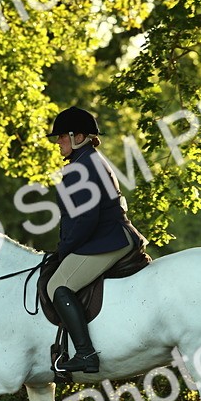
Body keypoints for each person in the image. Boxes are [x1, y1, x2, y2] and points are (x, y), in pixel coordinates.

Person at [46, 106, 145, 373]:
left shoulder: (82, 168)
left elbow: (84, 221)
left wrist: (64, 251)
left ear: (79, 136)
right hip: (106, 236)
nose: (58, 142)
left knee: (57, 285)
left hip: (107, 239)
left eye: (62, 137)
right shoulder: (87, 161)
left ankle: (86, 353)